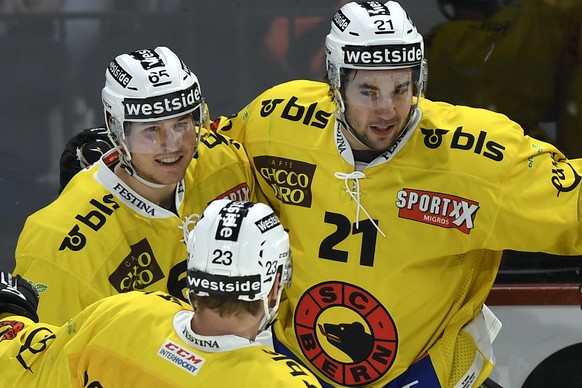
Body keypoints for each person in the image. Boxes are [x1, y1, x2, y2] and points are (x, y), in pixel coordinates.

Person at [214, 1, 582, 387]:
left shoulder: (476, 157)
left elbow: (570, 204)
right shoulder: (276, 122)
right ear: (335, 84)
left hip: (428, 375)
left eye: (401, 88)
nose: (387, 110)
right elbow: (204, 162)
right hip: (295, 369)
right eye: (368, 91)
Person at [13, 46, 256, 325]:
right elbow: (43, 359)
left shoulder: (226, 161)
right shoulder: (61, 245)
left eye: (181, 124)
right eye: (151, 129)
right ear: (117, 130)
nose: (172, 145)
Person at [0, 199, 322, 387]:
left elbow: (27, 369)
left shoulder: (125, 314)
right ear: (275, 284)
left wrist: (10, 317)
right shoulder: (282, 382)